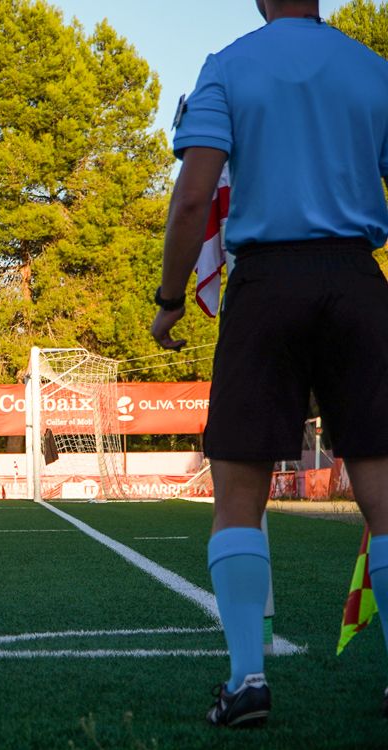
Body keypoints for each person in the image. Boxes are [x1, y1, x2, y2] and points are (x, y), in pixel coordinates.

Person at [150, 0, 388, 727]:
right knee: (385, 502)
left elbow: (194, 198)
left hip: (266, 289)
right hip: (357, 282)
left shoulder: (228, 67)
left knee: (238, 499)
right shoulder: (373, 69)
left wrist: (167, 297)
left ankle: (248, 680)